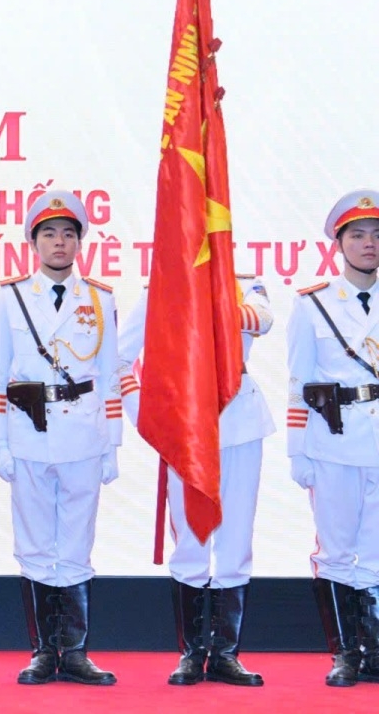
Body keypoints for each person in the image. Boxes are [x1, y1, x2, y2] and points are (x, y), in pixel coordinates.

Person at [0, 190, 120, 686]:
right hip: (28, 431)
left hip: (84, 431)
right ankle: (44, 651)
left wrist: (113, 443)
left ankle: (76, 652)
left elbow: (110, 374)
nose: (59, 242)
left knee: (78, 543)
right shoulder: (10, 298)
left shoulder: (100, 298)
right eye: (49, 234)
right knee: (36, 543)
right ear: (33, 242)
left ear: (80, 242)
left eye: (68, 234)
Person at [120, 275, 274, 686]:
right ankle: (192, 653)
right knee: (191, 541)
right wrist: (151, 420)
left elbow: (262, 320)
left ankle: (225, 654)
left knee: (236, 540)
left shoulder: (243, 282)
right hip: (185, 430)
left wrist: (202, 306)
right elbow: (119, 361)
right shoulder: (160, 286)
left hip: (240, 422)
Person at [287, 189, 379, 687]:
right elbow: (298, 382)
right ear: (338, 244)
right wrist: (298, 451)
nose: (369, 244)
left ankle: (375, 649)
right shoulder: (313, 304)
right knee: (336, 550)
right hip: (333, 442)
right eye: (357, 235)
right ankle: (345, 652)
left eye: (377, 235)